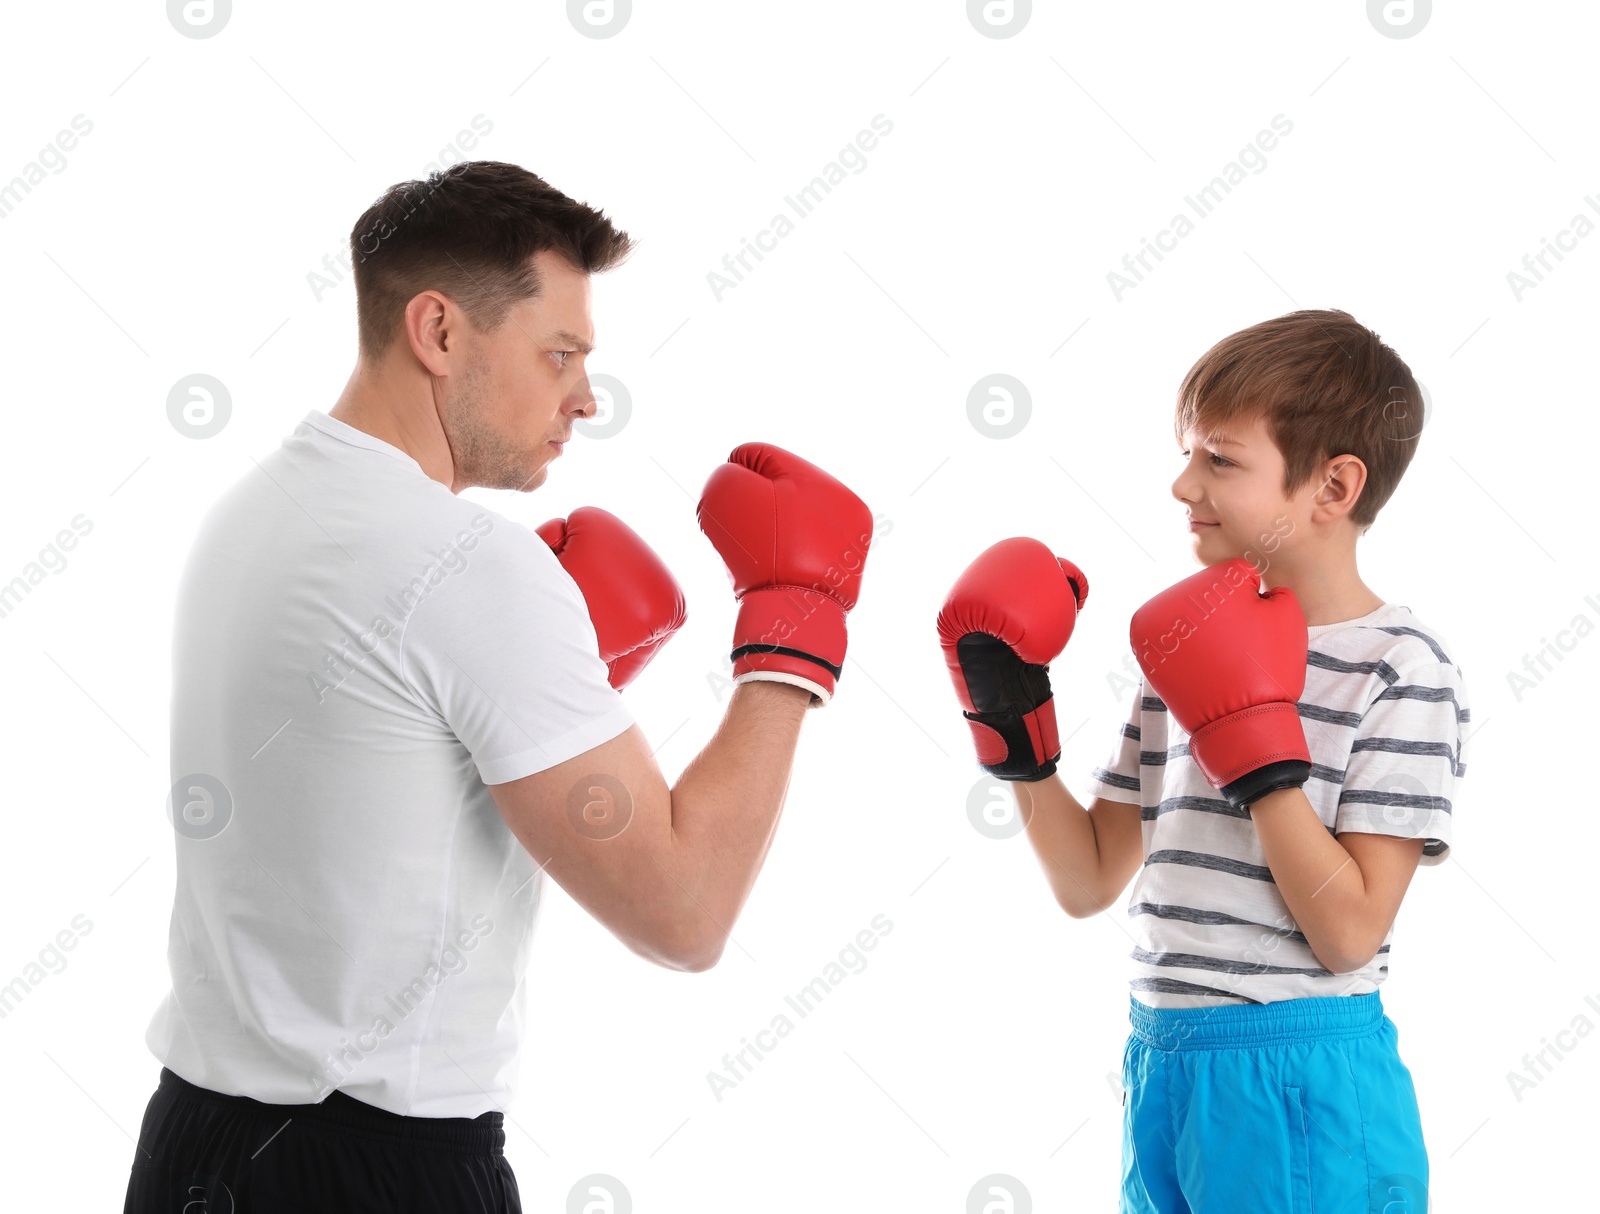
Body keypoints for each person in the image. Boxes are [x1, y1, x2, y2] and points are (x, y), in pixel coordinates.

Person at [123, 160, 874, 1214]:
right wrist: (795, 628)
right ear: (436, 332)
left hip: (191, 1143)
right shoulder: (471, 566)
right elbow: (685, 914)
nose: (586, 394)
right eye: (557, 352)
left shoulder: (250, 513)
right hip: (376, 1171)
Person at [937, 309, 1466, 1212]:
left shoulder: (1402, 667)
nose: (1184, 484)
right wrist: (1013, 725)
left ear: (1334, 486)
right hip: (1164, 1058)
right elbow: (1089, 879)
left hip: (1303, 1068)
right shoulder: (1181, 647)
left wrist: (1257, 755)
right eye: (1189, 454)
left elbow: (1348, 935)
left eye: (1220, 459)